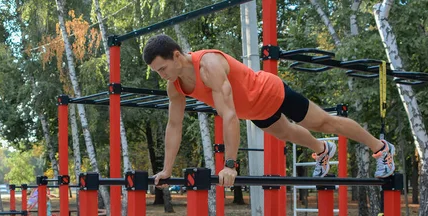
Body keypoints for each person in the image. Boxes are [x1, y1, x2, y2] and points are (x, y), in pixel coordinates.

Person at [142, 34, 395, 187]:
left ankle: (381, 148)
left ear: (176, 56)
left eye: (162, 69)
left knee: (324, 123)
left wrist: (230, 164)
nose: (161, 75)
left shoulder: (208, 65)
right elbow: (173, 126)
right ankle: (322, 150)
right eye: (157, 72)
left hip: (271, 92)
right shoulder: (174, 86)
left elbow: (228, 115)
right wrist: (166, 169)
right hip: (256, 112)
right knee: (289, 134)